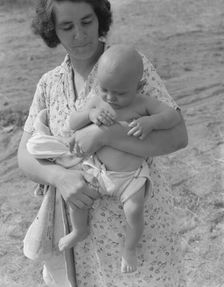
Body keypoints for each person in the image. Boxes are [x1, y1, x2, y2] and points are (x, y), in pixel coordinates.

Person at [17, 0, 188, 286]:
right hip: (84, 244)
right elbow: (24, 155)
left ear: (100, 19)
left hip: (140, 235)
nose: (79, 34)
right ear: (52, 31)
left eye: (86, 21)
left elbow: (178, 135)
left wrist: (105, 135)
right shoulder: (48, 84)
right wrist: (58, 177)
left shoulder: (130, 65)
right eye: (67, 26)